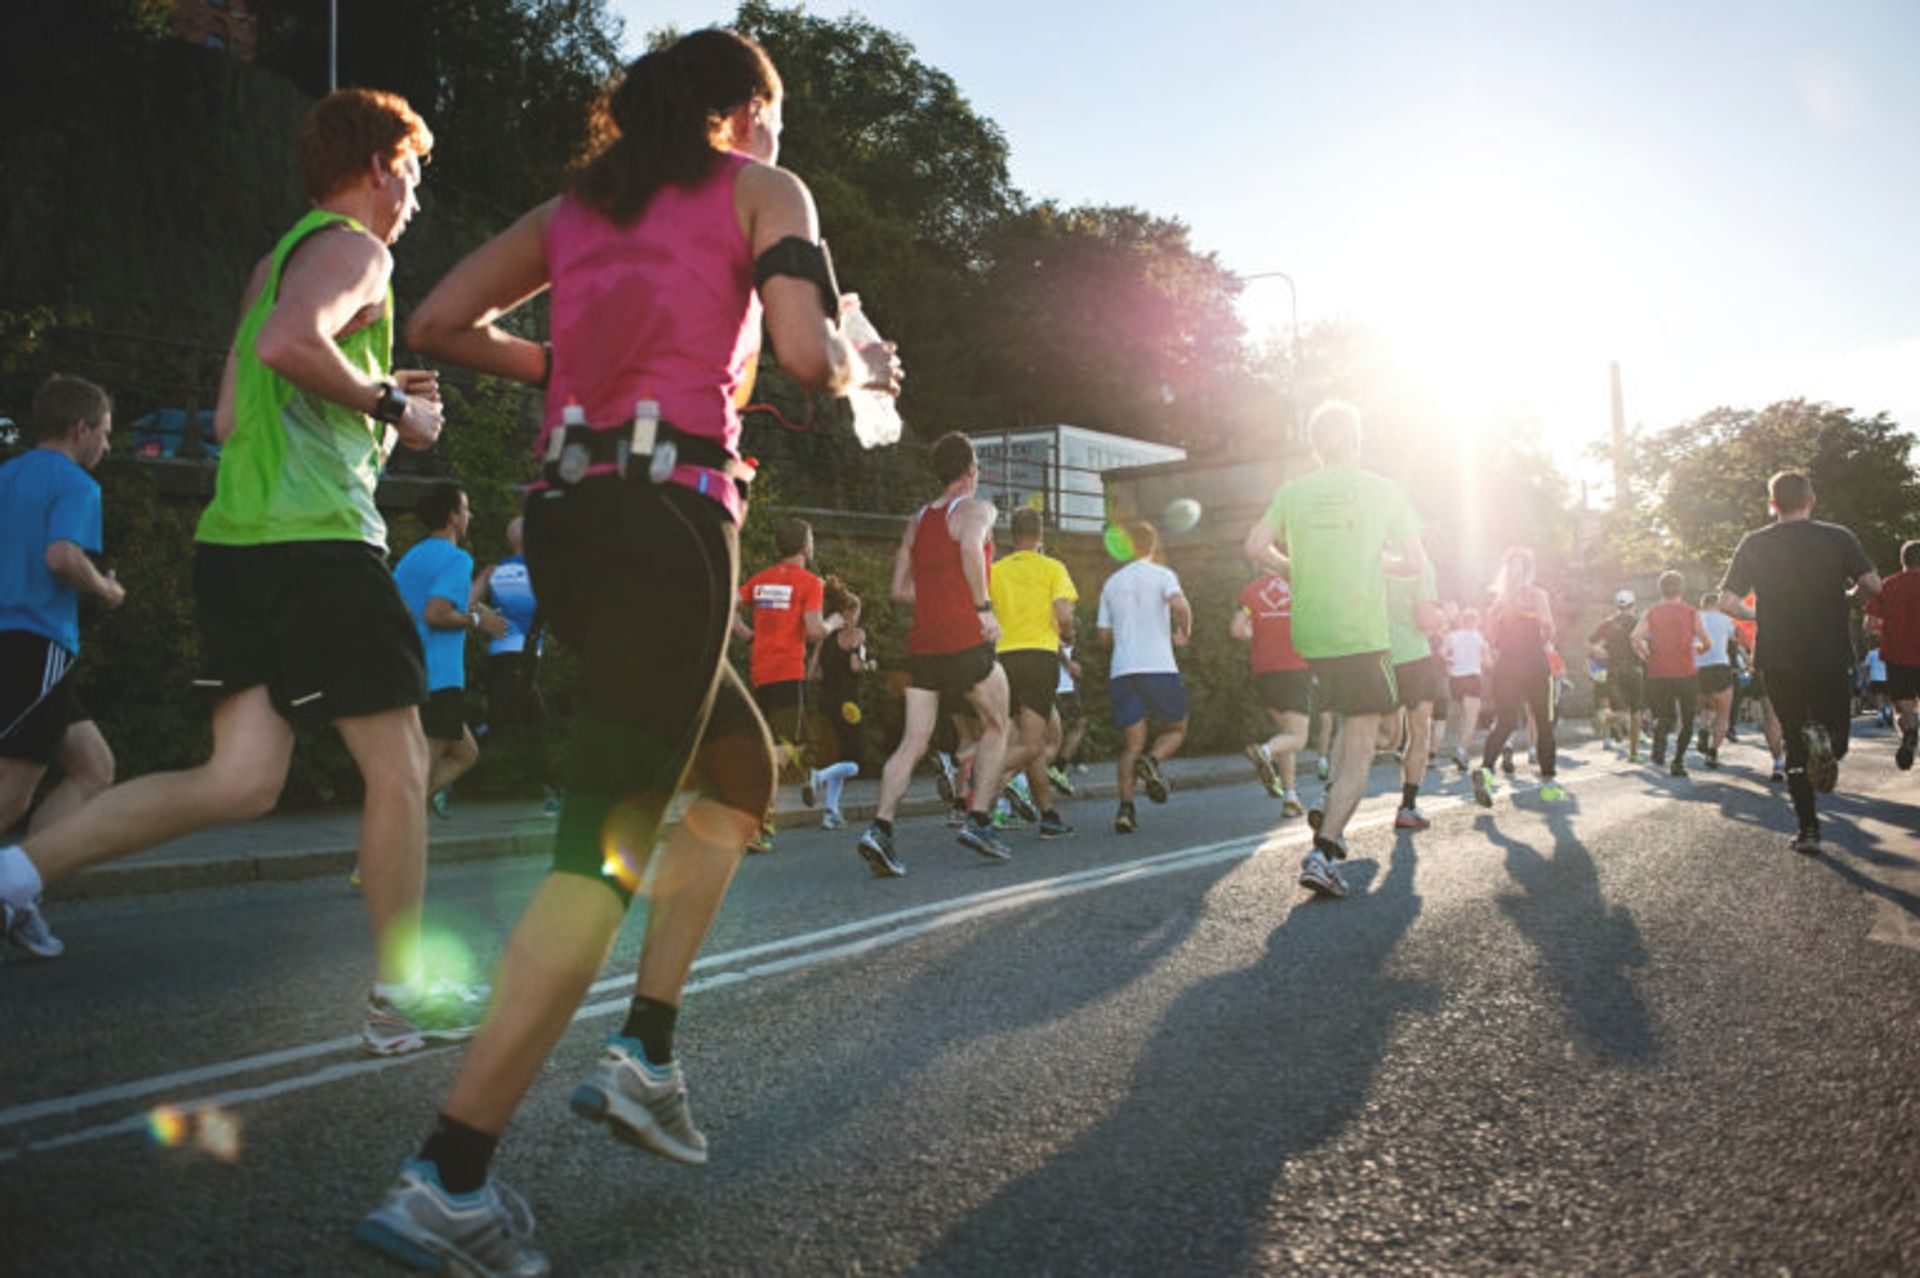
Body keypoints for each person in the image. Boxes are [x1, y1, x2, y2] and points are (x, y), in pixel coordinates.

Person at [363, 30, 901, 1274]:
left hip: (566, 518)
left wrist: (563, 364)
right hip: (671, 522)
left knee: (742, 774)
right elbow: (812, 359)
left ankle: (647, 1049)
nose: (778, 142)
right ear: (742, 114)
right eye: (772, 119)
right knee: (600, 846)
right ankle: (449, 1173)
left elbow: (440, 319)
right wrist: (860, 361)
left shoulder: (572, 208)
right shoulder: (764, 189)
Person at [0, 91, 476, 1053]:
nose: (417, 197)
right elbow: (288, 344)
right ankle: (399, 993)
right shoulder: (359, 248)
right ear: (382, 165)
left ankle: (12, 877)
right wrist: (392, 407)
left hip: (236, 543)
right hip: (319, 542)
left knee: (241, 781)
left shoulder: (276, 258)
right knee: (403, 765)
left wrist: (368, 406)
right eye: (415, 173)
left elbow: (229, 417)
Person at [1245, 402, 1426, 898]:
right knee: (1377, 738)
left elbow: (1255, 546)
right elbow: (1414, 562)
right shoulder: (1383, 489)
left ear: (1314, 444)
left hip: (1313, 635)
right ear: (1357, 439)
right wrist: (1372, 563)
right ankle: (1323, 851)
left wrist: (1294, 570)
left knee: (1352, 724)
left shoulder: (1293, 491)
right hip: (1360, 633)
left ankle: (1331, 806)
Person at [0, 375, 125, 959]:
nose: (107, 445)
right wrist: (104, 589)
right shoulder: (75, 483)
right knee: (12, 792)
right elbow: (61, 556)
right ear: (80, 430)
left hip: (18, 641)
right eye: (104, 433)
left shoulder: (7, 475)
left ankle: (21, 895)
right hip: (37, 641)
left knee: (94, 768)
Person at [858, 432, 1013, 876]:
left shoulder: (918, 519)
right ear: (971, 470)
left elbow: (899, 589)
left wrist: (937, 597)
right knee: (998, 725)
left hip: (923, 643)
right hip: (965, 637)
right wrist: (981, 609)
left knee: (914, 740)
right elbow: (969, 549)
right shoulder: (978, 509)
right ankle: (979, 820)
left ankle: (880, 829)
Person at [1719, 470, 1880, 854]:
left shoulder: (1754, 543)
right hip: (1829, 650)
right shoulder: (1838, 537)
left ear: (1772, 504)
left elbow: (1726, 601)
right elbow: (1873, 585)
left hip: (1777, 653)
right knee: (1837, 736)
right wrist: (1848, 597)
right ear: (1811, 499)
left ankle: (1808, 830)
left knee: (1792, 737)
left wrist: (1757, 616)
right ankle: (1828, 741)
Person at [393, 484, 509, 819]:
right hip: (440, 677)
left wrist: (476, 607)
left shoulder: (415, 556)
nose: (469, 515)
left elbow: (426, 606)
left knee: (466, 753)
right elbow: (437, 614)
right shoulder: (457, 558)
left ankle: (406, 821)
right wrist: (476, 621)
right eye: (465, 509)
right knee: (419, 775)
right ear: (453, 518)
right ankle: (387, 842)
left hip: (410, 670)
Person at [736, 516, 831, 850]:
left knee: (781, 744)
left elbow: (731, 604)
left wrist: (748, 635)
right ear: (806, 546)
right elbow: (815, 630)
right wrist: (834, 622)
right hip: (790, 673)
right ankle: (756, 818)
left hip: (761, 672)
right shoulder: (810, 582)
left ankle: (761, 814)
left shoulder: (760, 581)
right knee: (787, 746)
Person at [1097, 520, 1193, 835]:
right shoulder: (1164, 575)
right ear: (1152, 546)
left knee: (1130, 746)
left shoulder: (1111, 583)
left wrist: (1123, 638)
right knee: (1177, 727)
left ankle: (1125, 811)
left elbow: (1102, 636)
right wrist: (1184, 631)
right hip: (1159, 667)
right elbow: (1180, 604)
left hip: (1123, 670)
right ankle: (1153, 761)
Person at [987, 507, 1077, 839]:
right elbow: (1064, 614)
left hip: (1003, 660)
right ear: (1040, 535)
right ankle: (980, 796)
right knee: (1034, 743)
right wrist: (1067, 636)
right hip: (1039, 658)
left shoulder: (995, 571)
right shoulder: (1053, 568)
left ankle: (1049, 815)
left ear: (1012, 535)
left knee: (1033, 742)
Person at [474, 516, 560, 815]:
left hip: (502, 655)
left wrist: (484, 618)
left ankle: (552, 792)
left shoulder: (494, 571)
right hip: (524, 659)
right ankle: (441, 780)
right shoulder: (541, 571)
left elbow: (465, 602)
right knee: (496, 723)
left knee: (536, 721)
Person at [1472, 547, 1566, 806]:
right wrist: (1542, 639)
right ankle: (1548, 782)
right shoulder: (1537, 595)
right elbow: (1548, 628)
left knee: (1505, 722)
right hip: (1534, 663)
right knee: (1543, 721)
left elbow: (1489, 639)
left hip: (1507, 666)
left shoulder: (1498, 602)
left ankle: (1486, 769)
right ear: (1530, 569)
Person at [1232, 565, 1309, 815]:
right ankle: (1264, 751)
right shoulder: (1301, 587)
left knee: (1285, 734)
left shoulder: (1251, 591)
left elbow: (1236, 629)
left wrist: (1255, 633)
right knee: (1298, 738)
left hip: (1264, 671)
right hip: (1295, 667)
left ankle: (1290, 797)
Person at [1632, 570, 1710, 778]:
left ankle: (1659, 736)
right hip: (1686, 671)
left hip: (1658, 672)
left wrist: (1646, 655)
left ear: (1661, 589)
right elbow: (1706, 641)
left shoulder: (1652, 612)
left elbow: (1635, 638)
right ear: (1681, 588)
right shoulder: (1691, 612)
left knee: (1665, 715)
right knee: (1686, 719)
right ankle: (1677, 762)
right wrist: (1700, 649)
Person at [1384, 560, 1443, 829]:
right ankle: (1407, 807)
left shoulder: (1370, 559)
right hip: (1414, 658)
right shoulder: (1420, 565)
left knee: (1377, 736)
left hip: (1377, 657)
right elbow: (1426, 620)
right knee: (1419, 733)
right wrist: (1442, 618)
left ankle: (1330, 795)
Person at [807, 576, 867, 829]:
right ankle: (818, 777)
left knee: (835, 756)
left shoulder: (824, 638)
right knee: (854, 761)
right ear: (851, 613)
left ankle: (830, 812)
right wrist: (869, 665)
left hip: (825, 701)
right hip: (848, 704)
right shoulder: (857, 635)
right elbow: (855, 666)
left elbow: (813, 673)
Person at [1864, 539, 1920, 771]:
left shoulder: (1887, 586)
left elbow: (1870, 624)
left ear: (1902, 561)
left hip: (1898, 656)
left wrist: (1888, 628)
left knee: (1904, 708)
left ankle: (1909, 731)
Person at [1590, 590, 1645, 759]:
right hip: (1635, 671)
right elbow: (1643, 644)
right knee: (1635, 713)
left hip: (1613, 671)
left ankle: (1606, 717)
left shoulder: (1608, 623)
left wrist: (1599, 651)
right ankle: (1634, 753)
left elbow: (1590, 642)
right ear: (1633, 605)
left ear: (1616, 605)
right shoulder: (1638, 622)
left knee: (1620, 710)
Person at [1694, 592, 1738, 767]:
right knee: (1722, 714)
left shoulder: (1694, 617)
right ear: (1717, 605)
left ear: (1702, 604)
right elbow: (1736, 638)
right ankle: (1713, 752)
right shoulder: (1726, 620)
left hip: (1698, 668)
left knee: (1705, 705)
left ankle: (1704, 730)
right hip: (1720, 666)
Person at [1442, 607, 1486, 768]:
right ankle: (1461, 751)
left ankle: (1460, 749)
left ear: (1462, 621)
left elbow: (1442, 653)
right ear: (1475, 621)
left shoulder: (1452, 636)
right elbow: (1487, 660)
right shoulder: (1479, 637)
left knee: (1462, 716)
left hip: (1455, 679)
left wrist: (1450, 663)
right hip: (1472, 678)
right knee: (1471, 719)